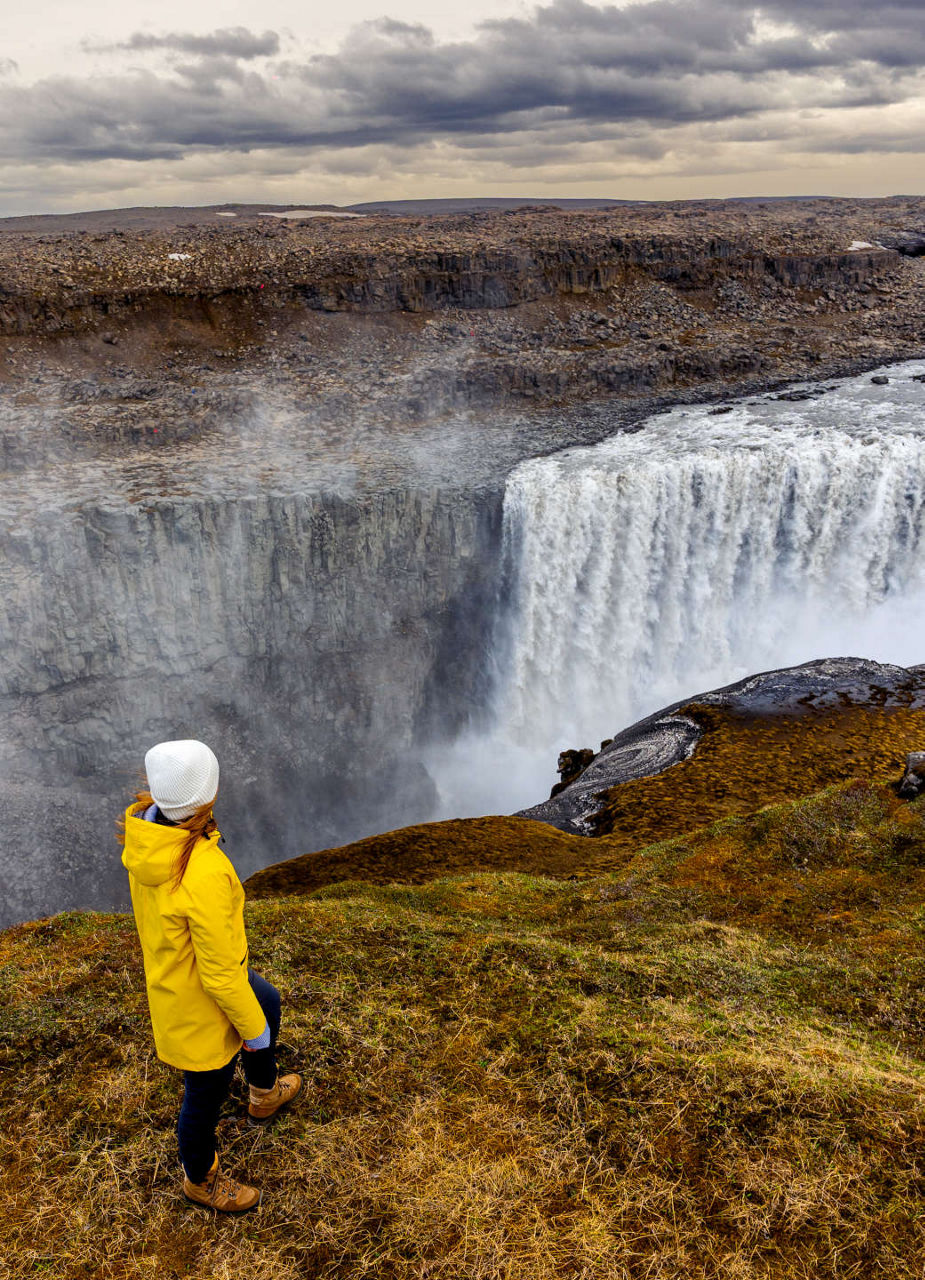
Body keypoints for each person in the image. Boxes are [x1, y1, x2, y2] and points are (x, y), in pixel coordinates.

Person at [120, 739, 301, 1213]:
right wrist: (254, 1034)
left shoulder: (148, 836)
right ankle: (200, 1179)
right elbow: (221, 979)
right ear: (207, 795)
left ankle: (263, 1094)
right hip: (199, 1003)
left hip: (179, 980)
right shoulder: (202, 871)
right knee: (204, 1096)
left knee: (269, 998)